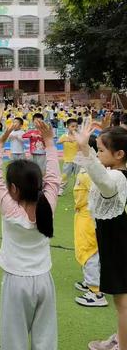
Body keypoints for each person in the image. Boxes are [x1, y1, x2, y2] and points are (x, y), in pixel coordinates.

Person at [0, 121, 61, 350]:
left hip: (16, 280)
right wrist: (49, 142)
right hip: (43, 280)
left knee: (14, 338)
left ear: (13, 189)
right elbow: (54, 178)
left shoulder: (10, 209)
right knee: (45, 336)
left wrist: (0, 144)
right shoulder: (48, 203)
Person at [74, 125, 127, 350]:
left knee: (122, 301)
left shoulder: (116, 176)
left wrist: (85, 149)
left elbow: (104, 182)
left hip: (117, 241)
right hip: (113, 239)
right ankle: (120, 337)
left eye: (101, 150)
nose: (98, 154)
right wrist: (86, 150)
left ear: (119, 155)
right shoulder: (117, 171)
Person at [73, 135, 108, 308]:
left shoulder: (93, 172)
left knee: (90, 253)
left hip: (90, 217)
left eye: (80, 147)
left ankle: (96, 292)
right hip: (83, 215)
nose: (77, 151)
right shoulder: (86, 168)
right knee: (88, 251)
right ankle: (90, 282)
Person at [58, 118, 80, 195]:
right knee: (65, 176)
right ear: (68, 127)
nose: (75, 128)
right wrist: (66, 140)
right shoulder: (65, 136)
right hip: (68, 160)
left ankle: (77, 189)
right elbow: (58, 142)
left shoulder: (78, 136)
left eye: (76, 126)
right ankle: (61, 189)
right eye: (72, 126)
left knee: (78, 176)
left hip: (78, 160)